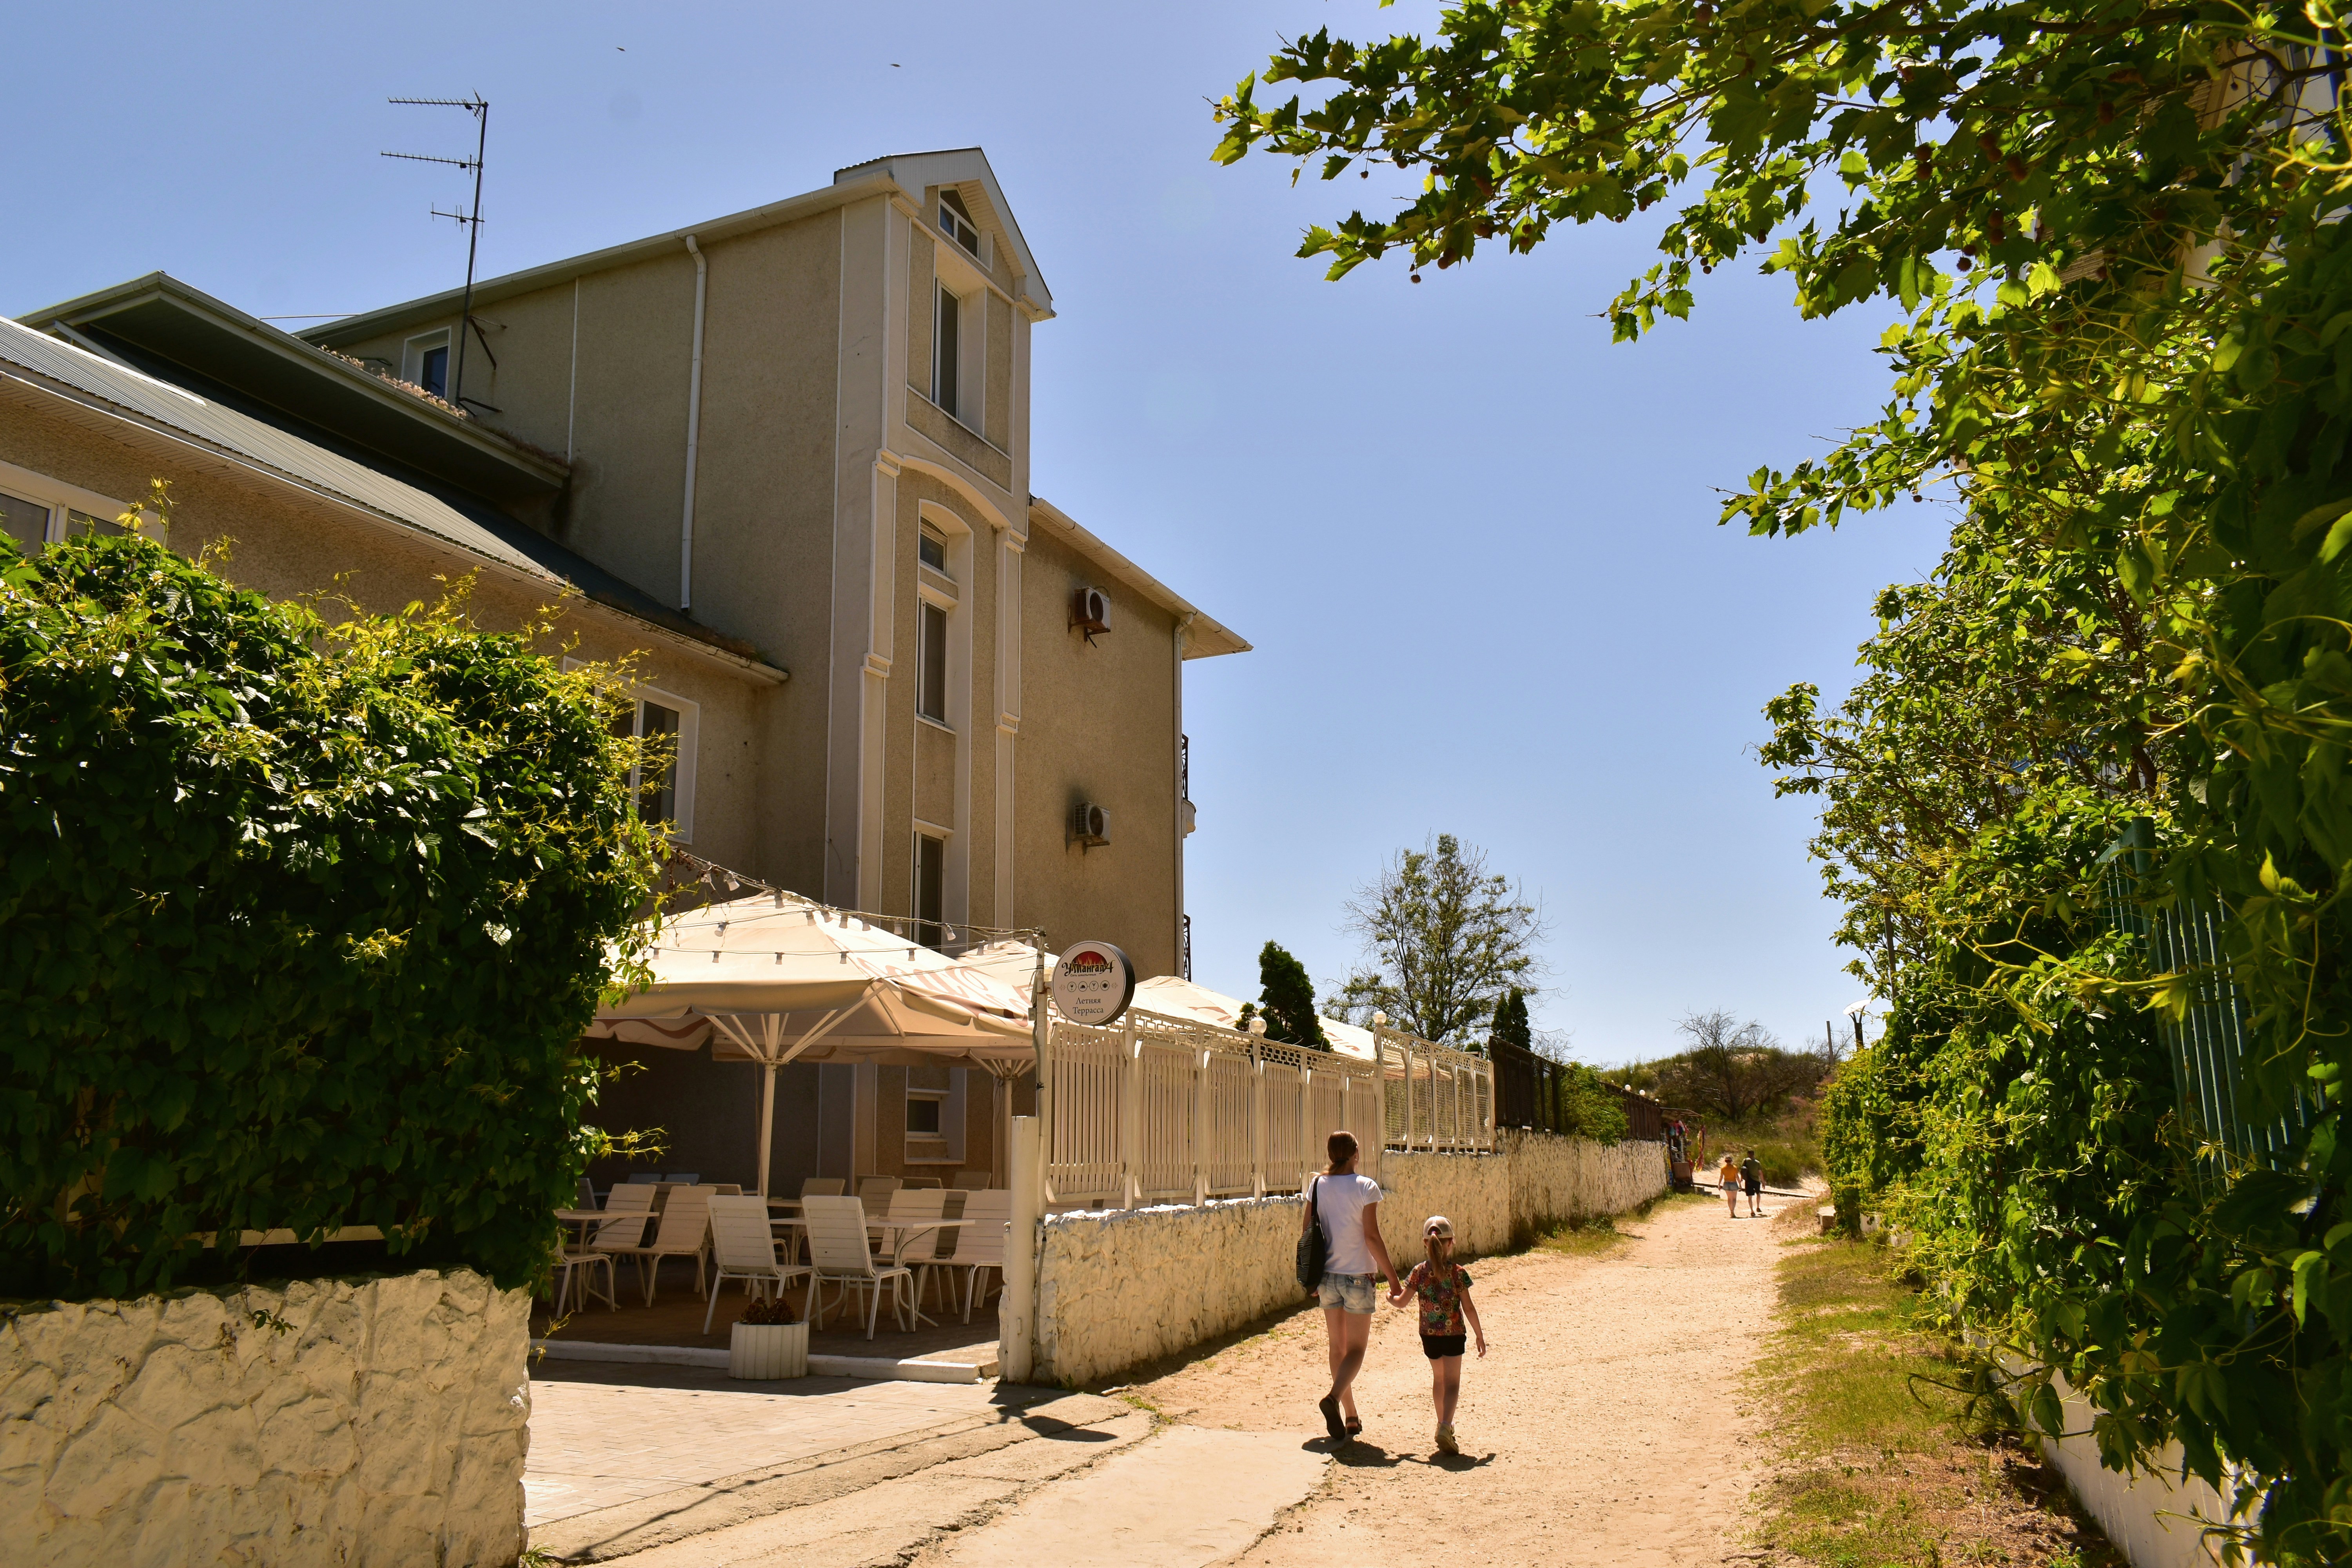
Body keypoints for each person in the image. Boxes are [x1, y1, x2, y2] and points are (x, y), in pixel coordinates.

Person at [1301, 1130, 1399, 1442]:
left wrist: (1311, 1278)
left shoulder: (1317, 1185)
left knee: (1337, 1348)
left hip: (1328, 1277)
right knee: (1356, 1349)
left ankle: (1352, 1416)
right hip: (1359, 1278)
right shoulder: (1366, 1187)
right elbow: (1371, 1237)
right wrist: (1394, 1278)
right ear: (1356, 1153)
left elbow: (1307, 1232)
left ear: (1331, 1155)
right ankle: (1332, 1399)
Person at [1391, 1214, 1486, 1455]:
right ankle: (1446, 1426)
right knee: (1453, 1382)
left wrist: (1390, 1298)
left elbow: (1402, 1302)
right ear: (1451, 1242)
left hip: (1429, 1336)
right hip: (1454, 1335)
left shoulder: (1418, 1272)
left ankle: (1443, 1423)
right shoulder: (1458, 1272)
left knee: (1439, 1380)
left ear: (1426, 1243)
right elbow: (1469, 1307)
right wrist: (1479, 1335)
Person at [1740, 1149, 1765, 1217]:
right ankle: (1758, 1207)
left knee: (1750, 1197)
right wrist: (1763, 1182)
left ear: (1748, 1154)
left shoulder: (1745, 1161)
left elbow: (1743, 1170)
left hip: (1748, 1181)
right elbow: (1760, 1173)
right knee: (1758, 1194)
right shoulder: (1758, 1163)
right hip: (1756, 1180)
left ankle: (1752, 1211)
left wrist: (1741, 1179)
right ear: (1754, 1154)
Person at [1718, 1153, 1740, 1218]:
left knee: (1729, 1199)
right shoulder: (1734, 1168)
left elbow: (1721, 1177)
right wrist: (1740, 1184)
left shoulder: (1723, 1168)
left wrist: (1719, 1184)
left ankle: (1731, 1211)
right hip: (1733, 1183)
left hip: (1726, 1183)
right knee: (1734, 1199)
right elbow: (1737, 1177)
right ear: (1731, 1161)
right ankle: (1732, 1211)